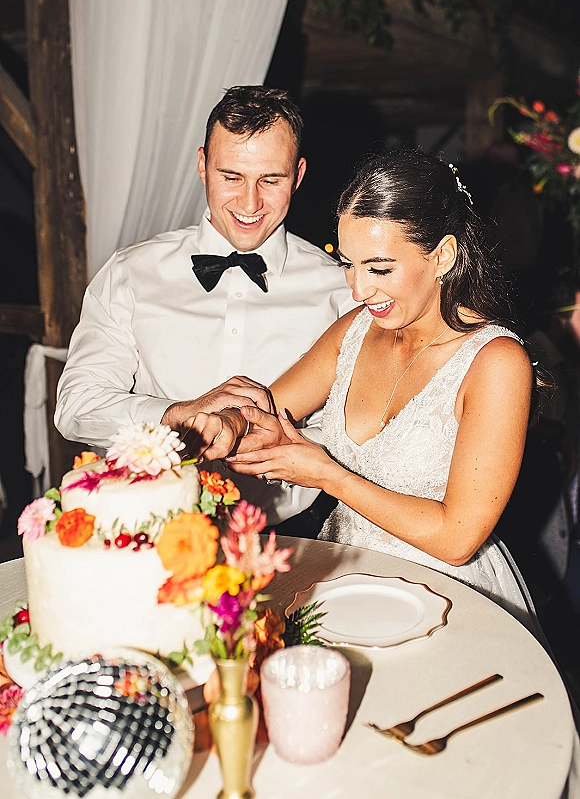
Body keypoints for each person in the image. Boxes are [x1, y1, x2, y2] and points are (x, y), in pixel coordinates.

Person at [188, 147, 541, 633]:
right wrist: (225, 426)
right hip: (346, 579)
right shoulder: (355, 329)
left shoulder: (496, 363)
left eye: (378, 269)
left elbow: (458, 537)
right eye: (347, 264)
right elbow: (267, 408)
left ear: (442, 255)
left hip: (451, 595)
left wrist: (327, 474)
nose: (357, 290)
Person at [54, 86, 354, 528]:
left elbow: (354, 431)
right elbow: (76, 405)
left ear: (299, 175)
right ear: (202, 166)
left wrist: (291, 442)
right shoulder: (130, 274)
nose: (250, 204)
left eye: (270, 180)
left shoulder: (340, 289)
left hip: (293, 536)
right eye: (231, 176)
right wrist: (175, 415)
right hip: (146, 529)